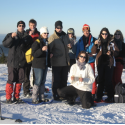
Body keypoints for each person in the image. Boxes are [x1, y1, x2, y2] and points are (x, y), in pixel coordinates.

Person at [2, 21, 33, 103]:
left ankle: (16, 97)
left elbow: (30, 49)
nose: (21, 27)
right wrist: (11, 37)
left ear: (24, 27)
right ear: (17, 27)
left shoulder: (27, 37)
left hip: (22, 62)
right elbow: (5, 44)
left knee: (20, 80)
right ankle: (8, 98)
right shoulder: (10, 35)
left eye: (23, 26)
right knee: (11, 79)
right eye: (19, 25)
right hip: (12, 62)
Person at [91, 27, 119, 103]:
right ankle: (99, 97)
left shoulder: (112, 41)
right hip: (100, 63)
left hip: (109, 63)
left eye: (106, 34)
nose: (104, 35)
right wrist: (95, 45)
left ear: (108, 34)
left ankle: (110, 97)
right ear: (101, 34)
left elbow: (117, 51)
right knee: (100, 81)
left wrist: (111, 53)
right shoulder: (98, 41)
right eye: (103, 34)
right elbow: (93, 52)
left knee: (108, 81)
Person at [48, 20, 71, 100]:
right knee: (56, 80)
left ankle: (63, 94)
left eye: (60, 27)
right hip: (56, 62)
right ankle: (56, 94)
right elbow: (49, 49)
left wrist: (70, 46)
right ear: (55, 28)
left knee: (64, 80)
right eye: (57, 28)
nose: (59, 29)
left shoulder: (65, 36)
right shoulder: (52, 37)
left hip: (65, 62)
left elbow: (67, 46)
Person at [76, 24, 97, 99]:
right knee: (82, 77)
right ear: (83, 31)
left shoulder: (94, 40)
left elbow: (97, 51)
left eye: (87, 31)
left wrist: (93, 54)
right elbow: (77, 52)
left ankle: (93, 93)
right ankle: (82, 93)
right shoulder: (80, 40)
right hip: (82, 62)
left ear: (89, 31)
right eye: (84, 31)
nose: (86, 32)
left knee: (92, 77)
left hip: (91, 61)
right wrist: (78, 59)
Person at [31, 27, 51, 104]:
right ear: (41, 33)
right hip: (38, 65)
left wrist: (50, 55)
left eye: (47, 33)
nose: (46, 34)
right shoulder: (37, 42)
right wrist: (41, 50)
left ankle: (41, 97)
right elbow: (34, 54)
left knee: (43, 81)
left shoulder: (46, 42)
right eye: (44, 33)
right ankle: (34, 98)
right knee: (38, 81)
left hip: (44, 64)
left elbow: (46, 54)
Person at [23, 19, 40, 98]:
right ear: (29, 26)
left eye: (34, 25)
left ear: (36, 25)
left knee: (36, 75)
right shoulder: (26, 33)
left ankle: (35, 91)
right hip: (27, 57)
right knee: (26, 74)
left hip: (36, 57)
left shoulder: (38, 34)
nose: (32, 27)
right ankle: (26, 91)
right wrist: (29, 36)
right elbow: (23, 44)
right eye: (31, 25)